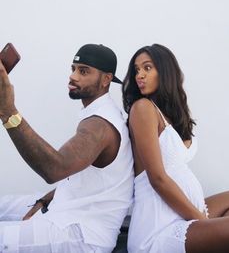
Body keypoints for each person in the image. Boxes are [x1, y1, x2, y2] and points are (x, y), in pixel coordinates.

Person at [0, 43, 134, 253]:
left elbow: (55, 169)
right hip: (64, 209)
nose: (73, 76)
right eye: (73, 69)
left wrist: (8, 111)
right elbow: (84, 179)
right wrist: (47, 198)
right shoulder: (98, 114)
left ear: (106, 79)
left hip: (81, 236)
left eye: (83, 71)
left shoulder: (100, 125)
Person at [122, 43, 229, 253]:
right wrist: (203, 222)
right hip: (160, 227)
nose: (140, 75)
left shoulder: (168, 115)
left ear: (165, 72)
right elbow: (157, 179)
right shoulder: (142, 108)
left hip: (184, 215)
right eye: (136, 70)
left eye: (147, 68)